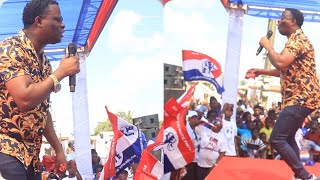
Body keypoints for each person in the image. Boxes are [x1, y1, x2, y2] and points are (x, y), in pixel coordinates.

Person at [0, 0, 80, 179]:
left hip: (31, 155)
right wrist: (60, 73)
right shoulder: (10, 49)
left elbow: (41, 112)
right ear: (39, 21)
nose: (63, 24)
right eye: (57, 19)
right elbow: (25, 99)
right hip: (6, 149)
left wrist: (59, 150)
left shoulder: (44, 63)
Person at [245, 8, 320, 180]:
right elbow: (284, 70)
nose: (278, 22)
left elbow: (280, 62)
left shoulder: (298, 39)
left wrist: (267, 45)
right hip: (301, 98)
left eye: (282, 18)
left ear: (293, 21)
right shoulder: (294, 41)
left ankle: (305, 177)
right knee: (288, 138)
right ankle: (301, 175)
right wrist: (260, 71)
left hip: (302, 97)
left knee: (277, 139)